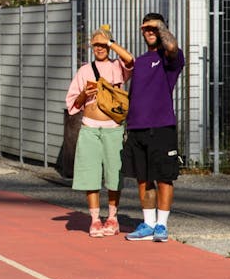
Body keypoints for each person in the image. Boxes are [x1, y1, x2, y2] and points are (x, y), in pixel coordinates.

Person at [110, 13, 185, 242]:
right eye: (146, 29)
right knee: (143, 179)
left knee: (164, 178)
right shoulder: (141, 61)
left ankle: (161, 225)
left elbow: (171, 45)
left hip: (161, 128)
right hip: (136, 129)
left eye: (153, 28)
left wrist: (159, 26)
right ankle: (148, 223)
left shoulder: (170, 57)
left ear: (162, 29)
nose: (149, 32)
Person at [64, 25, 133, 236]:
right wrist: (85, 93)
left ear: (110, 46)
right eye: (96, 45)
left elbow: (130, 60)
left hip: (113, 128)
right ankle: (94, 218)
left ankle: (112, 217)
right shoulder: (84, 70)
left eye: (103, 45)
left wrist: (110, 41)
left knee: (114, 173)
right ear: (91, 47)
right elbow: (72, 104)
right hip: (89, 128)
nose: (100, 48)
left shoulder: (117, 67)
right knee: (90, 173)